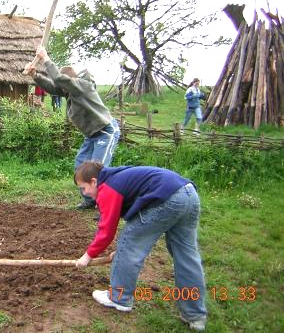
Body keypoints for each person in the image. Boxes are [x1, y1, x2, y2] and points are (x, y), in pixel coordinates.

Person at [74, 161, 207, 331]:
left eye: (83, 188)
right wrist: (123, 251)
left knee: (129, 244)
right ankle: (195, 316)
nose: (84, 193)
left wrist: (88, 256)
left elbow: (106, 231)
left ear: (94, 181)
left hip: (169, 199)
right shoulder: (119, 178)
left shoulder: (108, 187)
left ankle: (118, 298)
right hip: (189, 194)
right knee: (187, 256)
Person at [24, 46, 120, 210]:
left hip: (105, 131)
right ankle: (90, 200)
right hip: (91, 135)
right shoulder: (69, 92)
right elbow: (52, 86)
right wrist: (34, 74)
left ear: (70, 81)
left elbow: (60, 80)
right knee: (80, 165)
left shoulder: (83, 86)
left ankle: (106, 206)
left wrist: (45, 58)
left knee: (99, 170)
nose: (61, 88)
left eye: (63, 84)